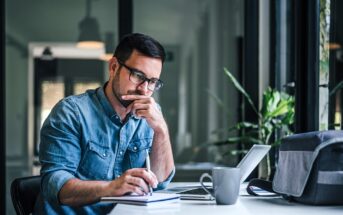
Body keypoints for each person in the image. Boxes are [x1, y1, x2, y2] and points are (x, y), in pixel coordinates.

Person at [34, 33, 175, 214]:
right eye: (138, 75)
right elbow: (55, 185)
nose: (144, 89)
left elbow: (161, 182)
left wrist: (161, 129)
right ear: (114, 66)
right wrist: (112, 187)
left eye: (152, 82)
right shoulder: (70, 112)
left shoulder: (152, 114)